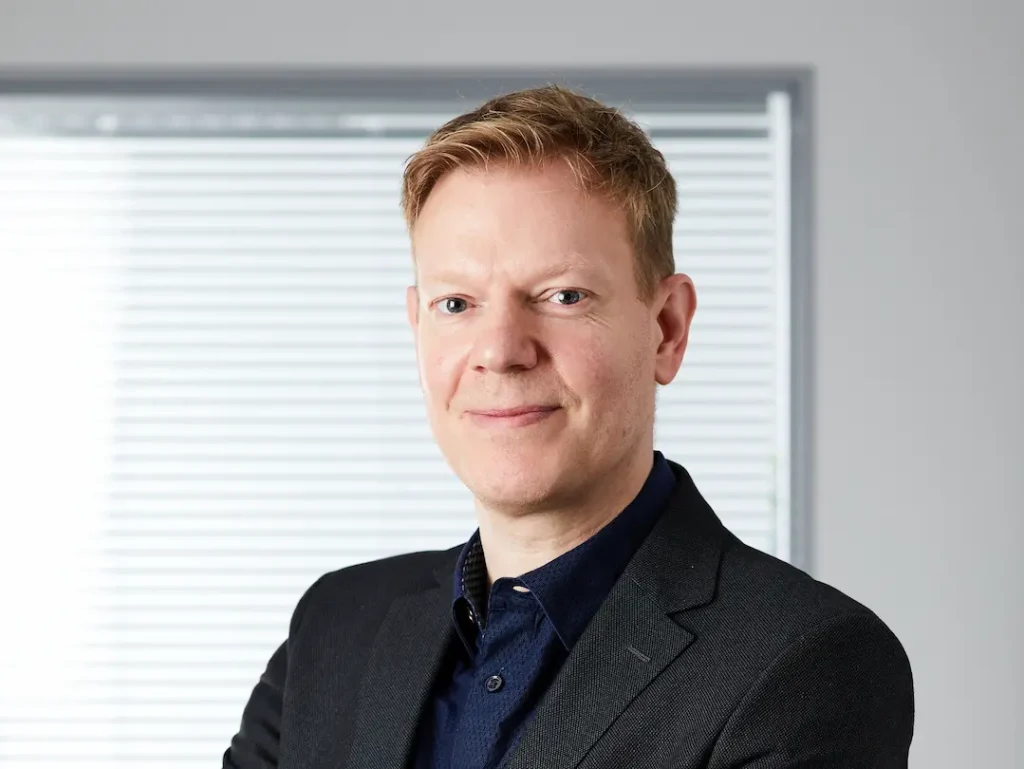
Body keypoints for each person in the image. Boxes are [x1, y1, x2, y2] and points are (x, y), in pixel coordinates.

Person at [223, 85, 914, 769]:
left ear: (667, 329)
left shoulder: (805, 662)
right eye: (456, 303)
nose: (500, 350)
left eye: (563, 295)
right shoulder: (336, 628)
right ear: (417, 328)